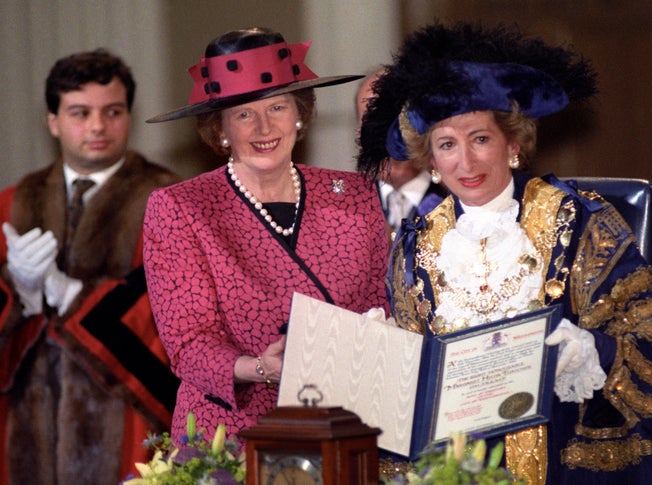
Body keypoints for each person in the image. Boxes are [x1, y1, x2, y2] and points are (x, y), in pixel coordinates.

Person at [358, 22, 652, 485]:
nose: (465, 163)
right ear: (430, 160)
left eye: (480, 139)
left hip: (565, 457)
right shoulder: (415, 246)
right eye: (447, 145)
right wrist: (387, 355)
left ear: (512, 143)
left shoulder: (581, 220)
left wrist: (594, 351)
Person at [143, 28, 390, 447]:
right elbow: (188, 344)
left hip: (343, 424)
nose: (264, 126)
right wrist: (259, 367)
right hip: (231, 436)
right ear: (219, 129)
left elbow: (382, 309)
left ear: (300, 115)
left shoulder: (355, 194)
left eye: (277, 107)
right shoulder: (181, 208)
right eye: (243, 114)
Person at [0, 49, 181, 484]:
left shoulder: (170, 203)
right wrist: (17, 292)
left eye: (112, 111)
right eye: (80, 113)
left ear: (129, 116)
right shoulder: (11, 204)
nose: (98, 127)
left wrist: (74, 297)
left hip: (127, 426)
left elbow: (177, 323)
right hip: (24, 427)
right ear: (53, 121)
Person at [356, 70, 447, 239]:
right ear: (358, 132)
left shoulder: (457, 202)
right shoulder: (347, 207)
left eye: (400, 117)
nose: (391, 133)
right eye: (374, 118)